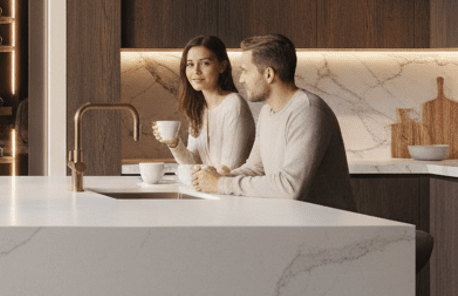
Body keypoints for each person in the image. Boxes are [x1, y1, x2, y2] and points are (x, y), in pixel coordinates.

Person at [191, 34, 356, 210]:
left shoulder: (307, 111)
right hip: (294, 223)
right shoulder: (266, 113)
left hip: (327, 230)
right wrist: (220, 178)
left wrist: (220, 184)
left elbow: (290, 187)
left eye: (245, 71)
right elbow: (255, 168)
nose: (241, 79)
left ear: (268, 74)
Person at [152, 34, 255, 173]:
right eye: (190, 64)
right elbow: (192, 163)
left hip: (230, 191)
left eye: (205, 63)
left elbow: (230, 169)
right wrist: (174, 143)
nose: (196, 71)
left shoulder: (233, 104)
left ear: (222, 66)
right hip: (211, 190)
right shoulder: (199, 109)